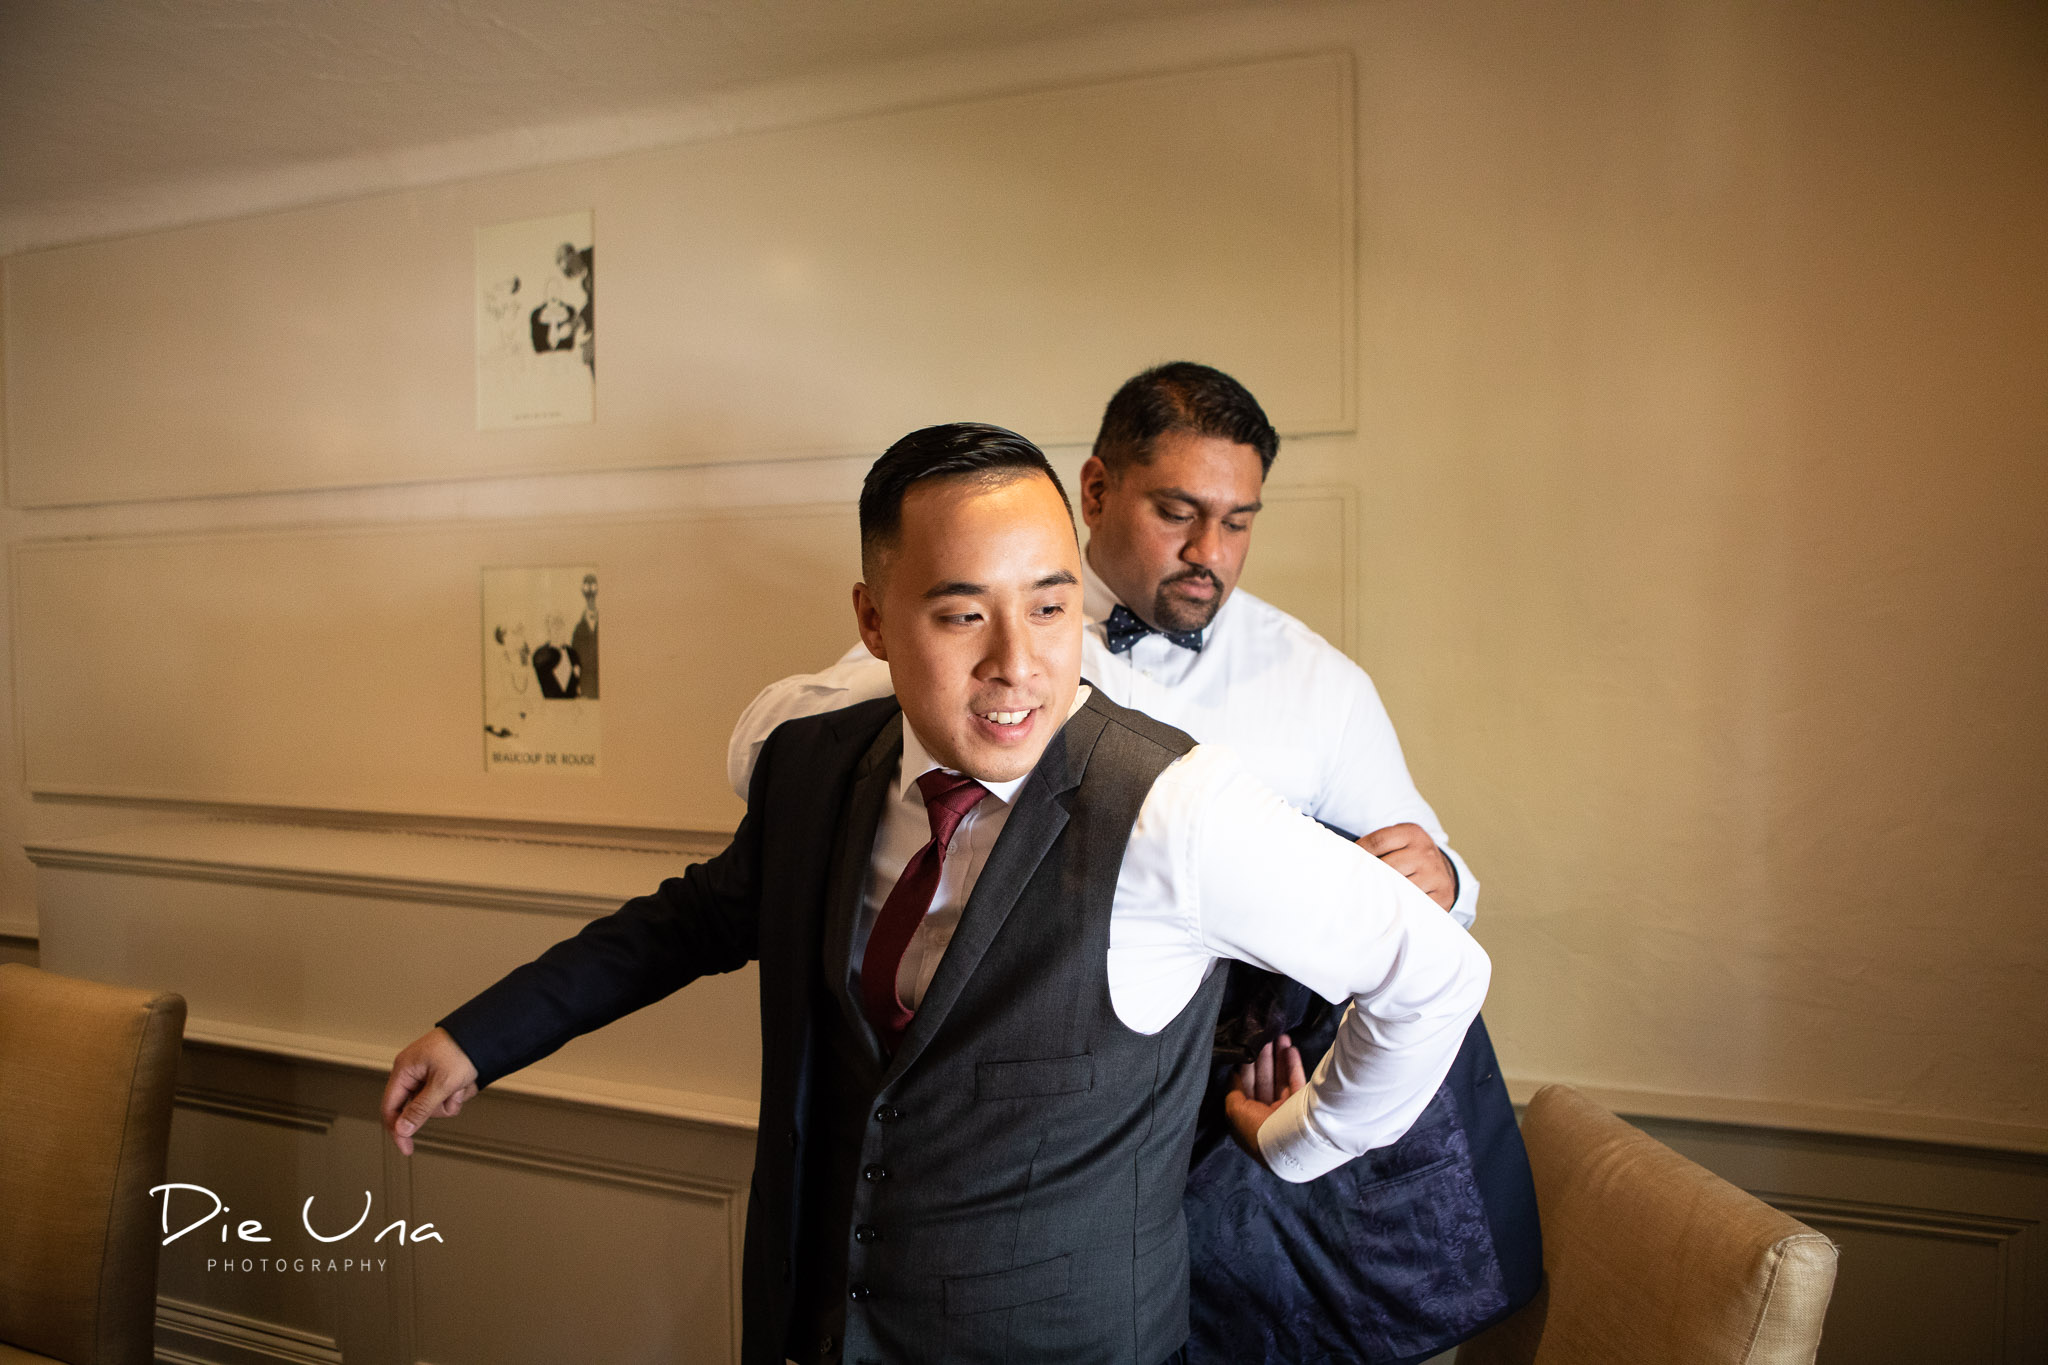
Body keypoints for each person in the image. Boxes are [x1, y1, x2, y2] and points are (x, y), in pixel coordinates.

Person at [383, 423, 1488, 1365]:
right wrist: (481, 1037)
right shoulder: (816, 765)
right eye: (963, 616)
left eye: (1051, 610)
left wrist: (1301, 1142)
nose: (1018, 663)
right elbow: (693, 920)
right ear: (873, 622)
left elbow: (1434, 974)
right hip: (812, 1327)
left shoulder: (1178, 810)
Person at [728, 366, 1540, 1364]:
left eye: (1238, 522)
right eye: (1178, 513)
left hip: (1232, 1140)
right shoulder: (982, 637)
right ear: (1097, 491)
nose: (1210, 554)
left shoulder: (1316, 685)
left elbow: (1437, 905)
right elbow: (764, 756)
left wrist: (1443, 881)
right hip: (1017, 1149)